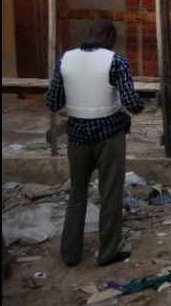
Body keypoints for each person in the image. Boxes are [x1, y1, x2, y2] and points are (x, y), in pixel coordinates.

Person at [45, 20, 145, 267]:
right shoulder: (116, 61)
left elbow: (53, 102)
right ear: (109, 36)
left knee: (77, 194)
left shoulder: (64, 60)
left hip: (77, 135)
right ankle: (107, 252)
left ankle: (70, 254)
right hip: (109, 134)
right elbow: (132, 103)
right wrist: (141, 105)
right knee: (110, 193)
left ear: (90, 34)